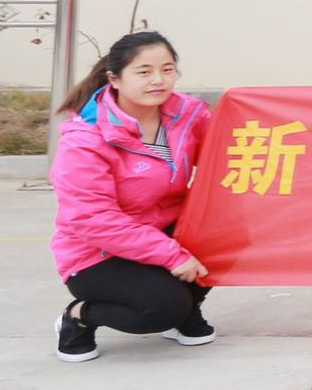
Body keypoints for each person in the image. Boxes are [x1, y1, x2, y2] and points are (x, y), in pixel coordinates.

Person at [51, 32, 216, 364]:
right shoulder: (86, 140)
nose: (158, 80)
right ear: (114, 79)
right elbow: (93, 220)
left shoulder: (187, 115)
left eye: (167, 70)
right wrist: (172, 255)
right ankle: (79, 316)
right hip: (98, 253)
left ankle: (186, 309)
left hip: (162, 233)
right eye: (144, 72)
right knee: (161, 309)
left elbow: (227, 153)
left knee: (222, 238)